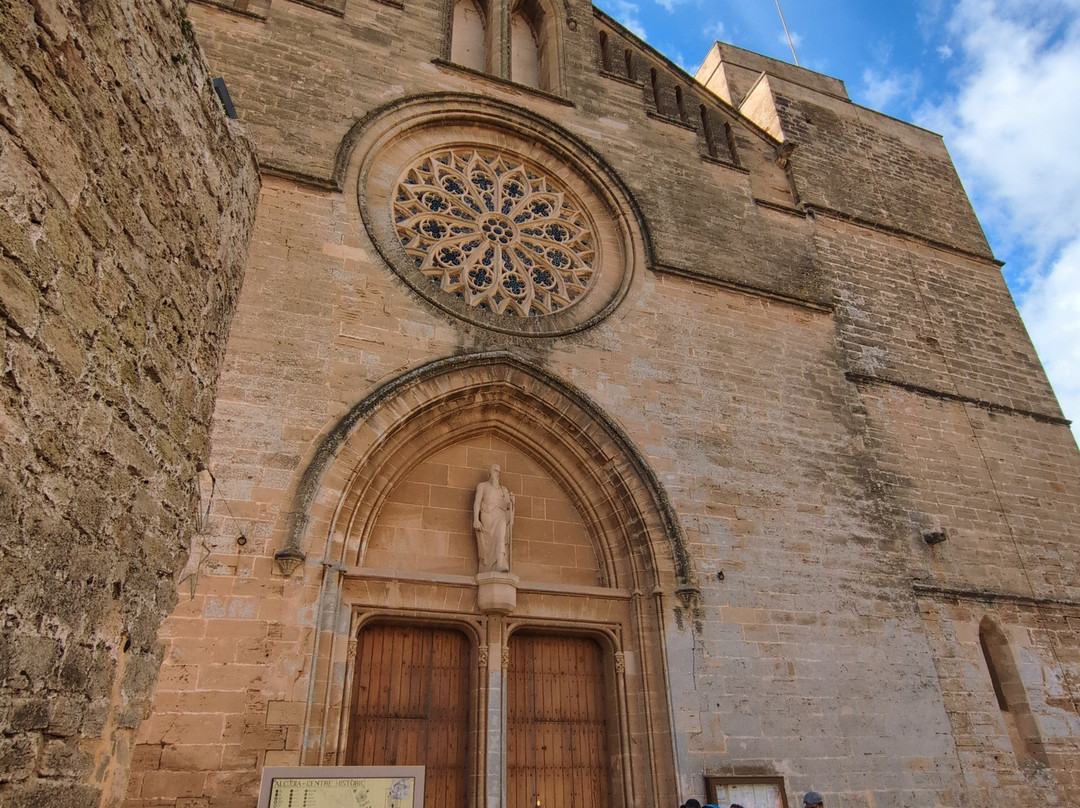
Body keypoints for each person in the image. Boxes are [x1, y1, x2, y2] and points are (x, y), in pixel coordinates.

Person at [473, 464, 514, 572]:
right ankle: (489, 566)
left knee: (500, 536)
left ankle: (500, 564)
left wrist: (511, 502)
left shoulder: (503, 489)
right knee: (489, 543)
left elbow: (507, 506)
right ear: (489, 473)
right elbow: (477, 502)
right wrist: (476, 519)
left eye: (498, 472)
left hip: (500, 516)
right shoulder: (482, 486)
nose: (497, 474)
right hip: (487, 516)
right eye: (495, 471)